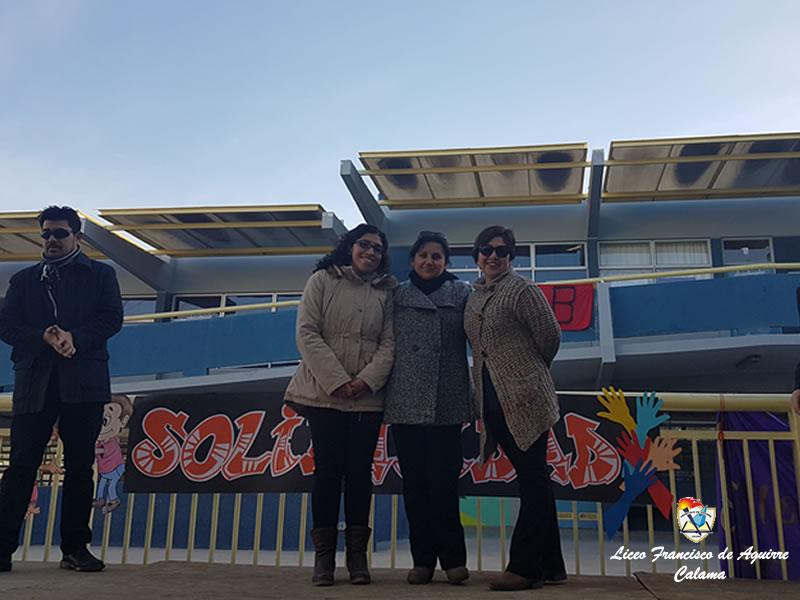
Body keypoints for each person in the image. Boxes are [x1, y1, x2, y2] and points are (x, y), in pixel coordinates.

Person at [0, 206, 123, 573]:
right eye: (46, 234)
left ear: (77, 236)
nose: (51, 240)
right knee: (21, 466)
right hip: (34, 383)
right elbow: (6, 325)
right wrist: (43, 338)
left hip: (84, 383)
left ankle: (75, 549)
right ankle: (2, 548)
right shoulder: (24, 280)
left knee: (80, 467)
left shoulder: (101, 274)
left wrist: (74, 338)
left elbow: (111, 318)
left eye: (60, 233)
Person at [283, 224, 396, 586]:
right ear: (350, 246)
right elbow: (307, 332)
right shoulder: (322, 280)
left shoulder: (387, 291)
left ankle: (357, 558)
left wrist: (365, 381)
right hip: (324, 396)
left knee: (360, 474)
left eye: (378, 248)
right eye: (365, 244)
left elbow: (390, 344)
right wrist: (338, 381)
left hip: (367, 400)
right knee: (328, 473)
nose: (371, 252)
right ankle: (324, 560)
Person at [463, 225, 566, 591]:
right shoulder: (473, 297)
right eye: (486, 249)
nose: (493, 255)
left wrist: (529, 372)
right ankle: (552, 565)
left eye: (502, 250)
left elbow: (550, 335)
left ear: (511, 256)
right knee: (534, 478)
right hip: (492, 403)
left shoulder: (522, 289)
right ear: (476, 255)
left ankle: (525, 567)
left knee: (533, 479)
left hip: (526, 401)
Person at [384, 231, 473, 585]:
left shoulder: (463, 293)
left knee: (444, 484)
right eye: (423, 255)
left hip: (446, 402)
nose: (429, 261)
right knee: (415, 487)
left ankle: (453, 560)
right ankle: (422, 560)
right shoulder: (396, 295)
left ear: (446, 262)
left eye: (436, 255)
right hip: (405, 401)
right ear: (412, 260)